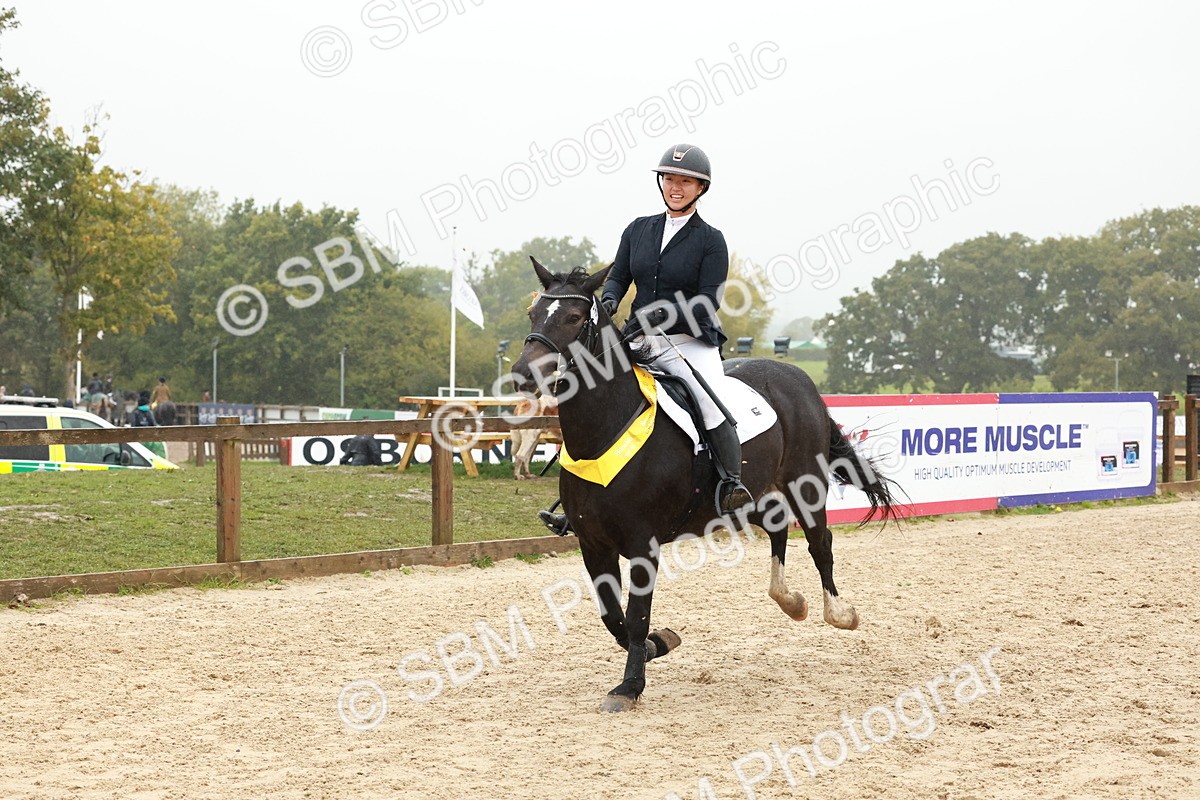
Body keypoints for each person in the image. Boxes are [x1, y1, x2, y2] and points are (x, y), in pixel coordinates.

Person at [539, 143, 752, 535]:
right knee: (592, 397)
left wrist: (664, 314)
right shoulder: (638, 229)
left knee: (709, 405)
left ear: (700, 188)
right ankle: (578, 502)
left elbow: (709, 300)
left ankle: (731, 486)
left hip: (688, 341)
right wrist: (610, 298)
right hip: (637, 338)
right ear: (661, 182)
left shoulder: (711, 240)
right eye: (670, 179)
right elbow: (619, 275)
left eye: (686, 181)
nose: (676, 186)